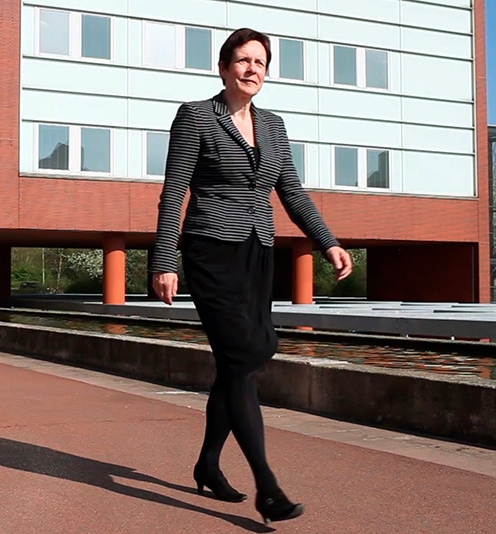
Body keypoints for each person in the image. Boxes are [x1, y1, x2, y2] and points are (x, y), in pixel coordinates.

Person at [149, 28, 353, 524]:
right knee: (241, 358)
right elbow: (175, 190)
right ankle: (268, 487)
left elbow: (292, 192)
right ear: (224, 68)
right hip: (211, 250)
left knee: (245, 358)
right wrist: (164, 260)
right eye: (242, 60)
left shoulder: (274, 126)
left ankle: (207, 463)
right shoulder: (196, 116)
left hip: (258, 249)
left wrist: (328, 241)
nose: (252, 69)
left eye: (260, 62)